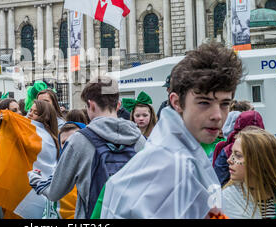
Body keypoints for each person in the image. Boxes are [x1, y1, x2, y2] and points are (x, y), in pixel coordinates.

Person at [95, 42, 243, 218]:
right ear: (176, 102)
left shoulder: (175, 149)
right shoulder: (175, 164)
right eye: (204, 103)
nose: (217, 115)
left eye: (225, 104)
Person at [28, 76, 146, 219]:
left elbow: (55, 192)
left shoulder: (79, 140)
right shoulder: (140, 140)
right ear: (118, 105)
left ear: (91, 105)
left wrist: (36, 179)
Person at [222, 127, 276, 219]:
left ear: (260, 162)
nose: (229, 160)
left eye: (238, 155)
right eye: (231, 153)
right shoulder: (225, 199)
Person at [213, 110, 265, 186]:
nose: (230, 160)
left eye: (238, 155)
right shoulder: (268, 147)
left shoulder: (228, 149)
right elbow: (219, 183)